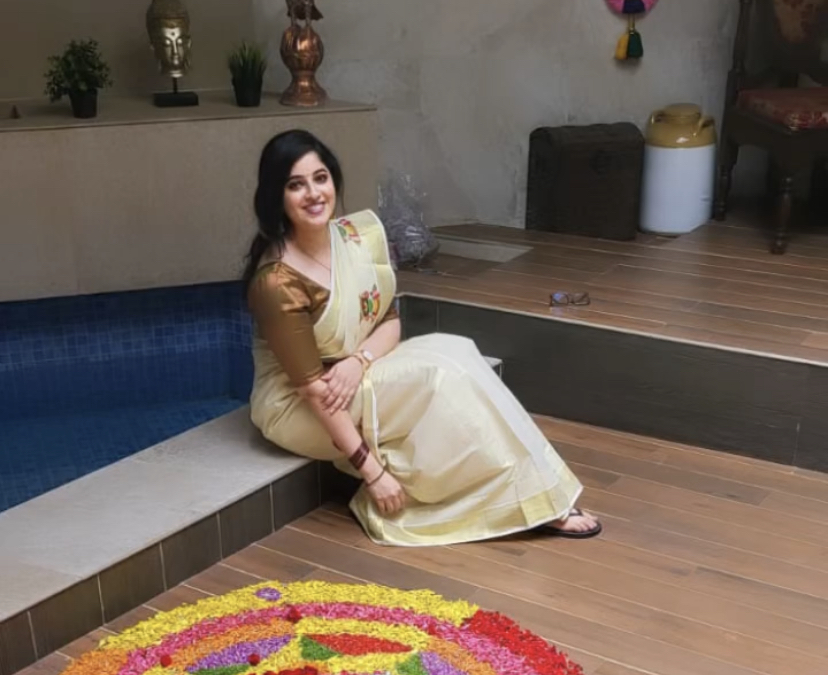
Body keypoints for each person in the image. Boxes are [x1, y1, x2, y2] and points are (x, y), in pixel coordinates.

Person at [243, 129, 602, 547]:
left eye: (320, 178)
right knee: (437, 378)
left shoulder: (350, 239)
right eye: (295, 185)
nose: (313, 194)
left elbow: (390, 323)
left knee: (458, 350)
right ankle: (523, 502)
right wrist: (373, 473)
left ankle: (538, 491)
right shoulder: (278, 282)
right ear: (277, 196)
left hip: (349, 373)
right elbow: (314, 391)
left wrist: (358, 361)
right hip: (299, 405)